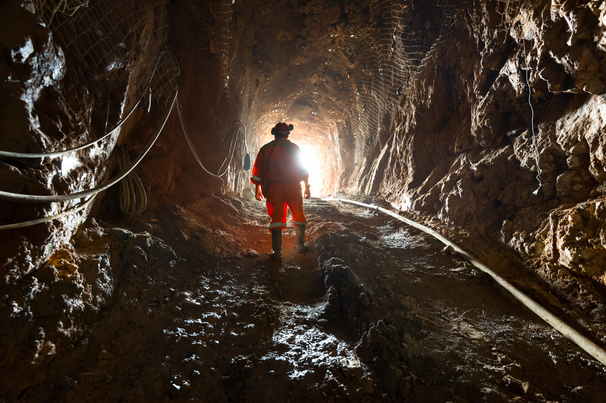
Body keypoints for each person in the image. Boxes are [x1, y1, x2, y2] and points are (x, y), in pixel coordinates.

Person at [250, 122, 311, 260]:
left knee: (276, 217)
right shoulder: (294, 148)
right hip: (294, 186)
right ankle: (301, 245)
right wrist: (306, 187)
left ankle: (277, 252)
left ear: (274, 134)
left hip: (273, 188)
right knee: (298, 214)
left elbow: (257, 173)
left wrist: (257, 188)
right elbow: (303, 170)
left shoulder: (265, 149)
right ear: (288, 134)